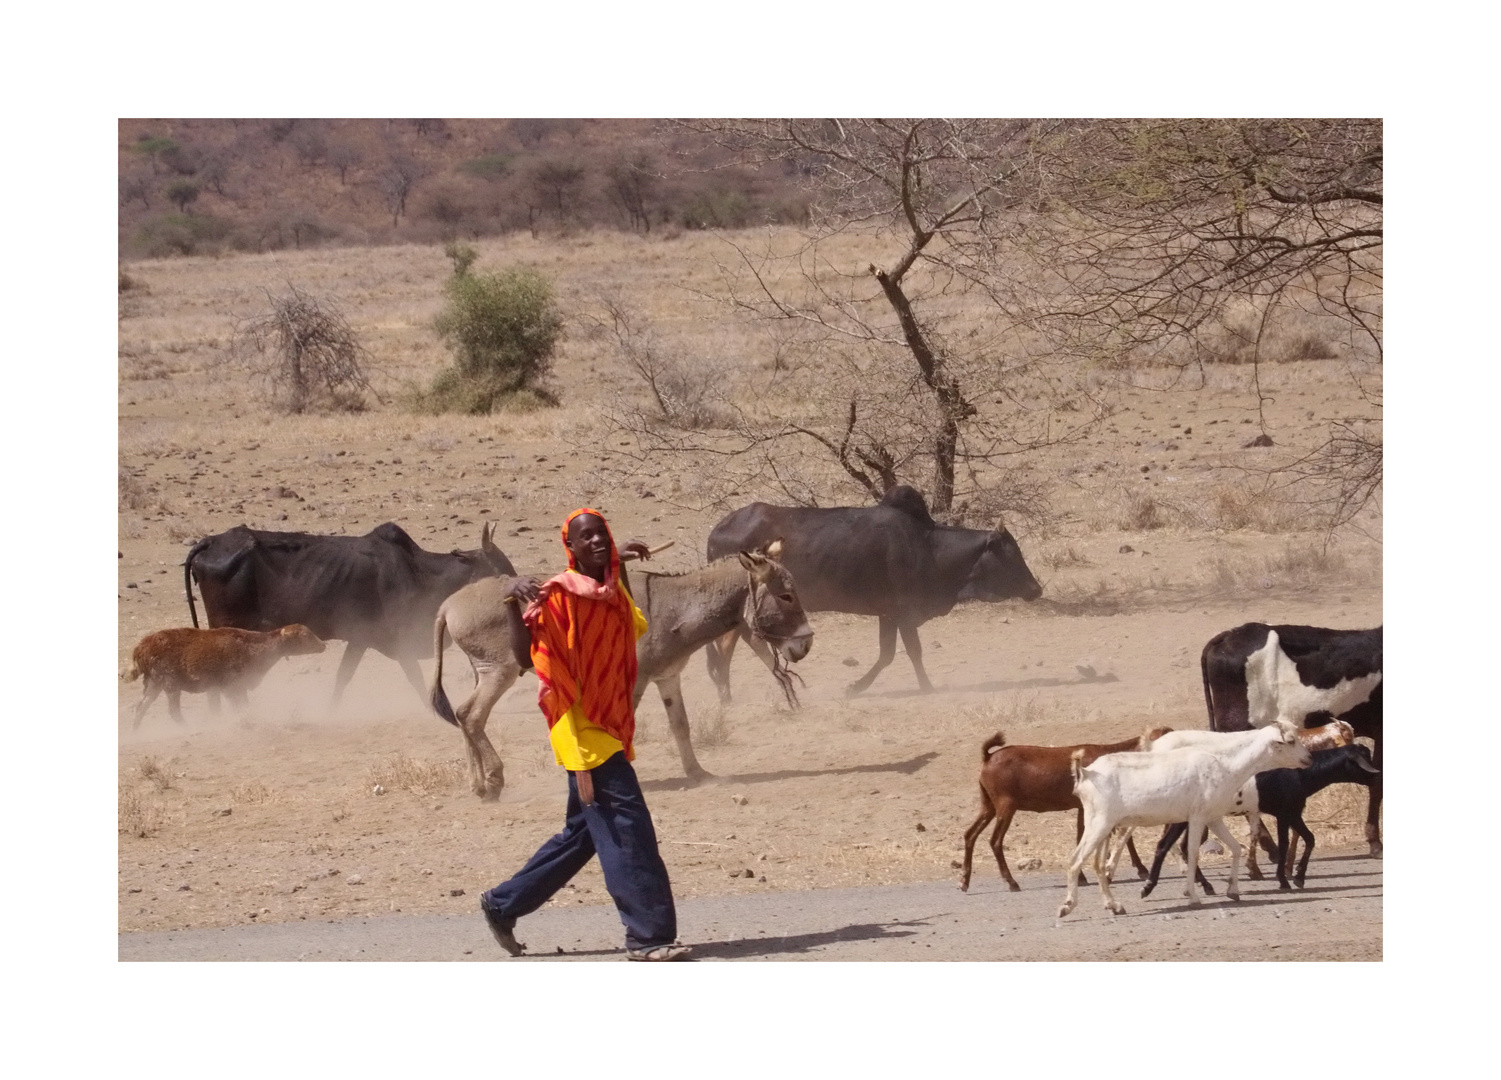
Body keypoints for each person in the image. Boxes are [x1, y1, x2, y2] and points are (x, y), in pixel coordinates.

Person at [479, 508, 689, 961]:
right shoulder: (558, 595)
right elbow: (524, 656)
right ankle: (648, 937)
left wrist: (622, 565)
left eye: (602, 535)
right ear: (569, 548)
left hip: (608, 724)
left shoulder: (608, 592)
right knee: (627, 828)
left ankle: (502, 903)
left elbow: (629, 626)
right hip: (581, 730)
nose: (596, 541)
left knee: (584, 834)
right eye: (585, 537)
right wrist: (512, 602)